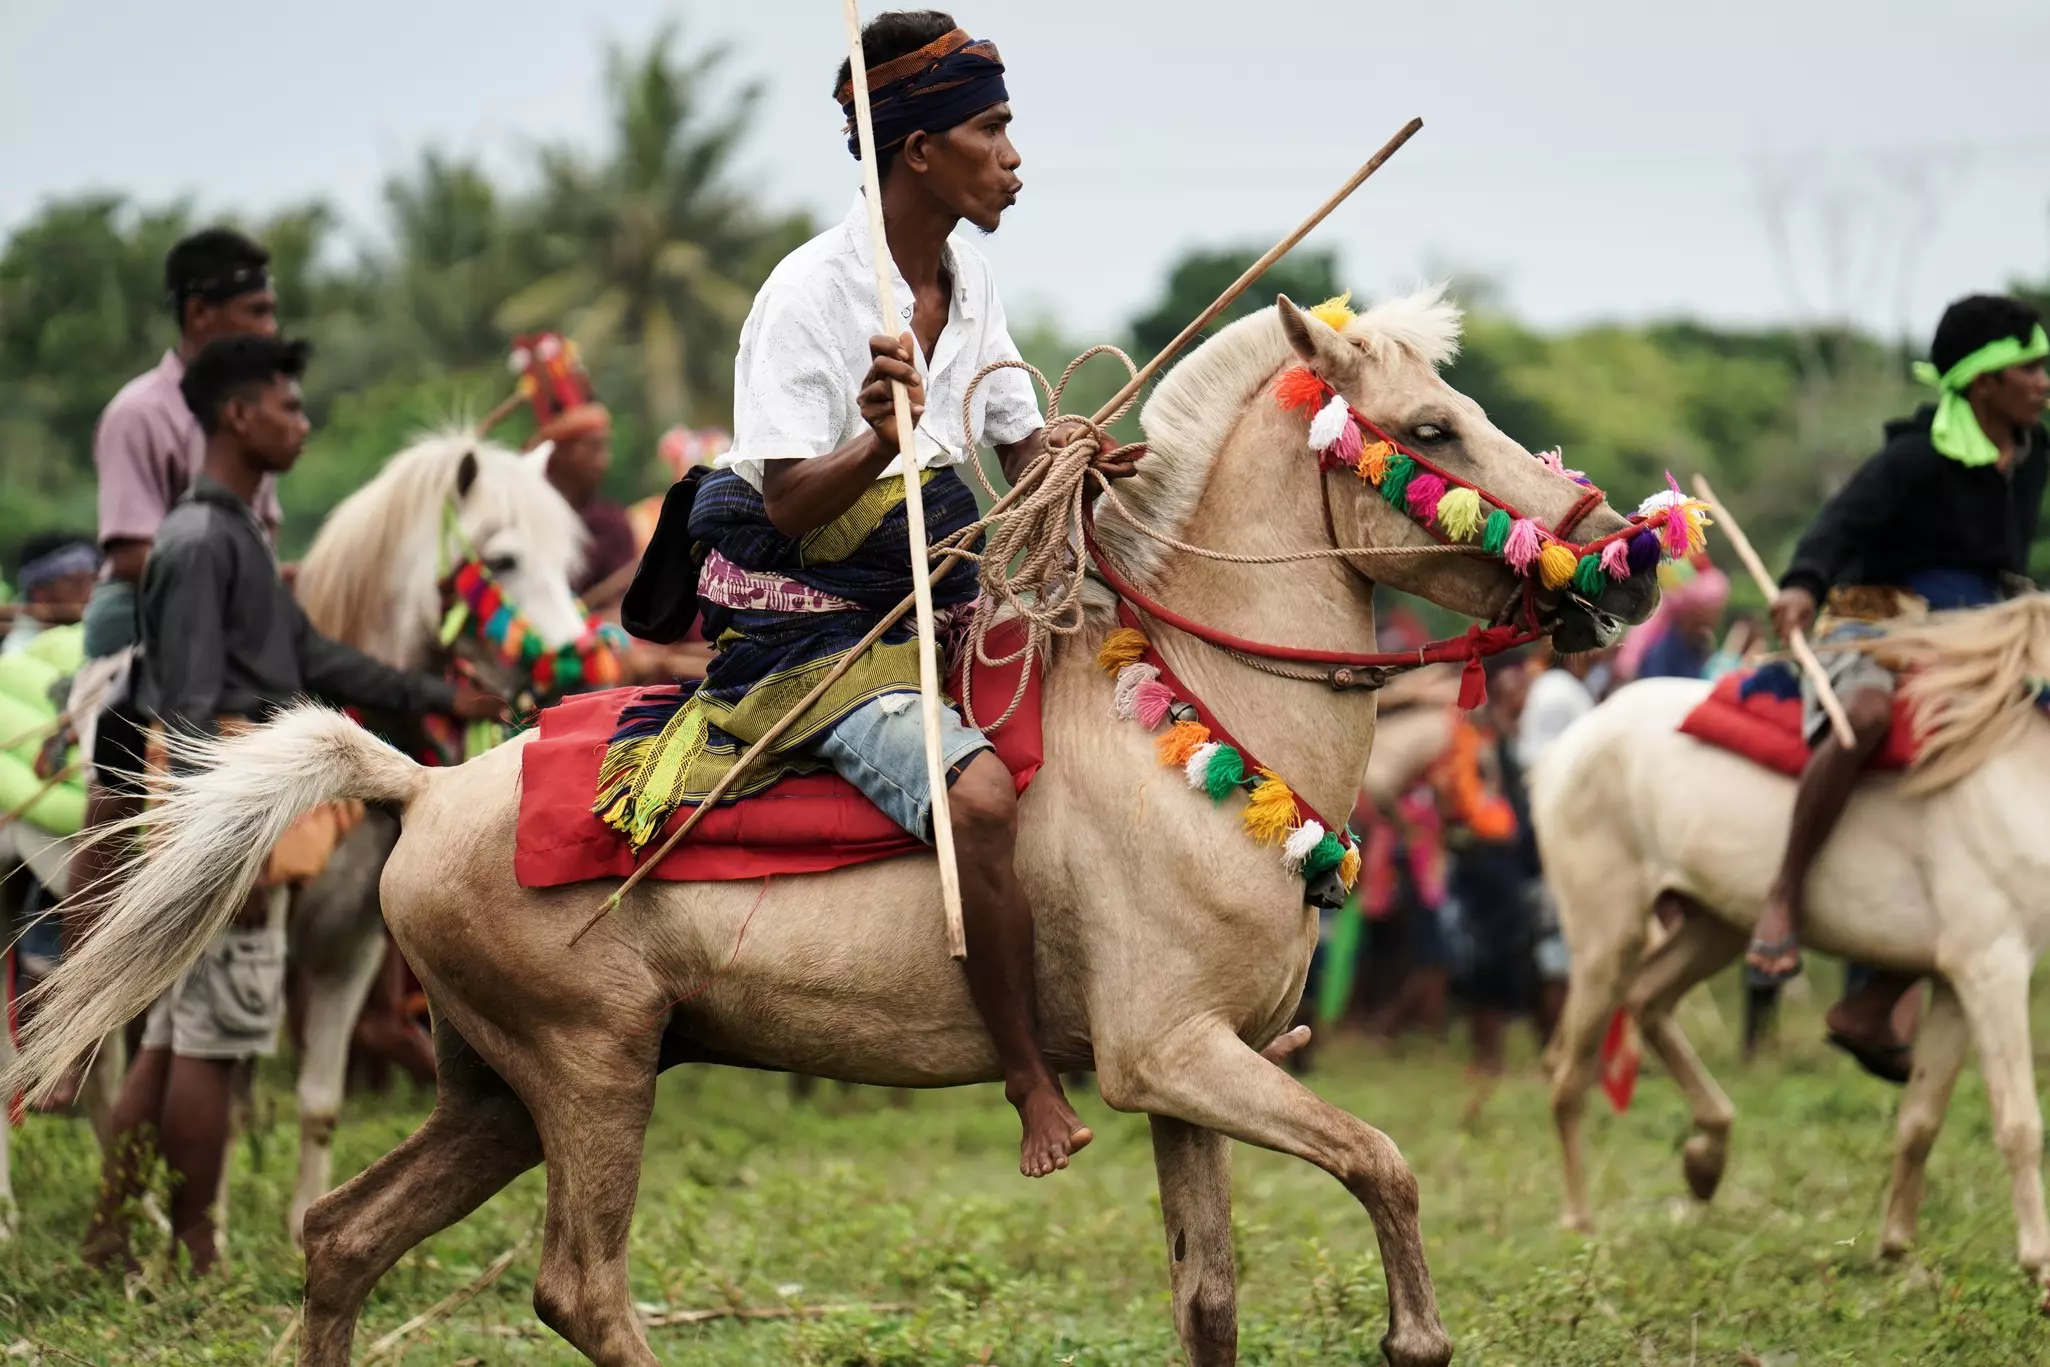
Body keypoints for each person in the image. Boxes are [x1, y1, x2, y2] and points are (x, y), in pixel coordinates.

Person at [616, 10, 1135, 1177]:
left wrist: (1072, 450)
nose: (1013, 157)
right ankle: (1027, 1077)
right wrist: (871, 434)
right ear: (917, 151)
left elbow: (1011, 439)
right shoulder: (805, 296)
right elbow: (795, 506)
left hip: (940, 603)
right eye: (990, 130)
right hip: (816, 640)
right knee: (988, 800)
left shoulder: (973, 275)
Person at [82, 334, 507, 1276]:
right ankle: (194, 1252)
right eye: (290, 407)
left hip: (233, 805)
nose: (304, 424)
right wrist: (216, 851)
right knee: (216, 1043)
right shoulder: (202, 542)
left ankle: (114, 1231)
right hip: (229, 813)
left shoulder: (232, 533)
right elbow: (190, 704)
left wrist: (442, 699)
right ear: (239, 415)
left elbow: (310, 661)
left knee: (178, 1032)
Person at [1748, 294, 2049, 1082]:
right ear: (1984, 384)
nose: (2045, 381)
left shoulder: (2034, 452)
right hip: (1881, 623)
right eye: (2031, 367)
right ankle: (1782, 894)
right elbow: (1836, 527)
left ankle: (1880, 991)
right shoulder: (1912, 459)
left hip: (1978, 639)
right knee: (1869, 713)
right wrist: (1803, 585)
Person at [61, 229, 283, 1025]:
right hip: (140, 631)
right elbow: (125, 553)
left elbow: (262, 538)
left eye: (272, 310)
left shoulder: (251, 408)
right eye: (254, 311)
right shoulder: (138, 413)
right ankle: (74, 988)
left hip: (230, 631)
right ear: (199, 312)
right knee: (121, 772)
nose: (268, 327)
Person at [504, 333, 639, 607]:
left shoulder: (611, 524)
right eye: (592, 448)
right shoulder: (517, 519)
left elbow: (622, 614)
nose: (604, 460)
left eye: (604, 448)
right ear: (559, 452)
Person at [1616, 558, 1731, 681]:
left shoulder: (1701, 647)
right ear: (1695, 611)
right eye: (1715, 610)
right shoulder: (1663, 650)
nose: (1719, 617)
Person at [3, 533, 99, 655]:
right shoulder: (17, 653)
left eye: (94, 581)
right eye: (77, 584)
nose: (90, 593)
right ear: (39, 593)